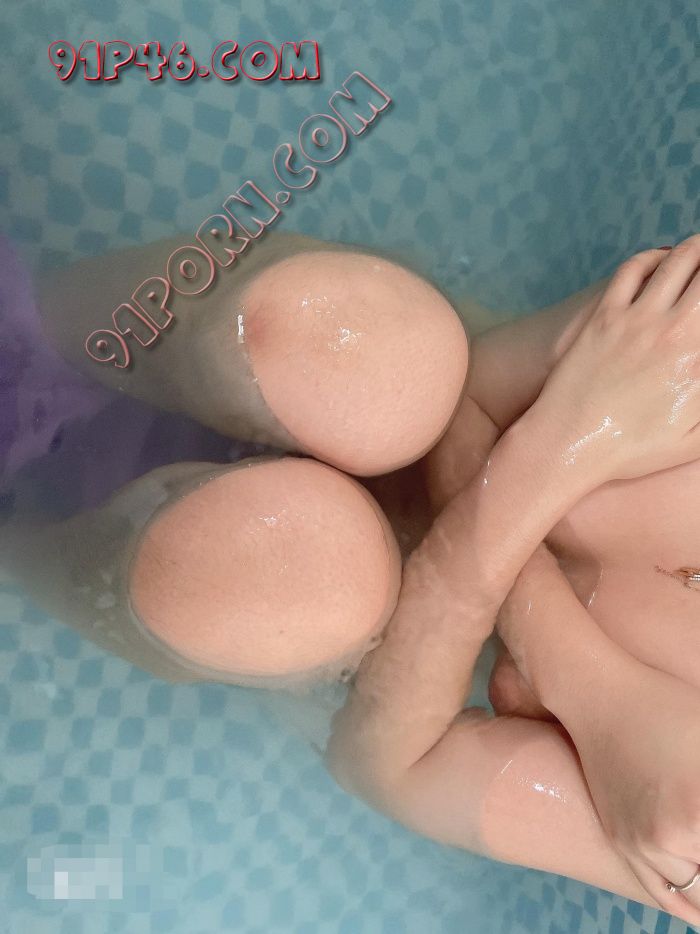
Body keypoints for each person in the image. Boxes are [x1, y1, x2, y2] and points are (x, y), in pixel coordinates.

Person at [2, 231, 700, 923]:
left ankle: (15, 537)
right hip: (405, 405)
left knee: (300, 573)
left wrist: (569, 446)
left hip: (370, 645)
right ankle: (39, 327)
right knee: (353, 343)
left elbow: (388, 765)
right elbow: (470, 400)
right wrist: (587, 690)